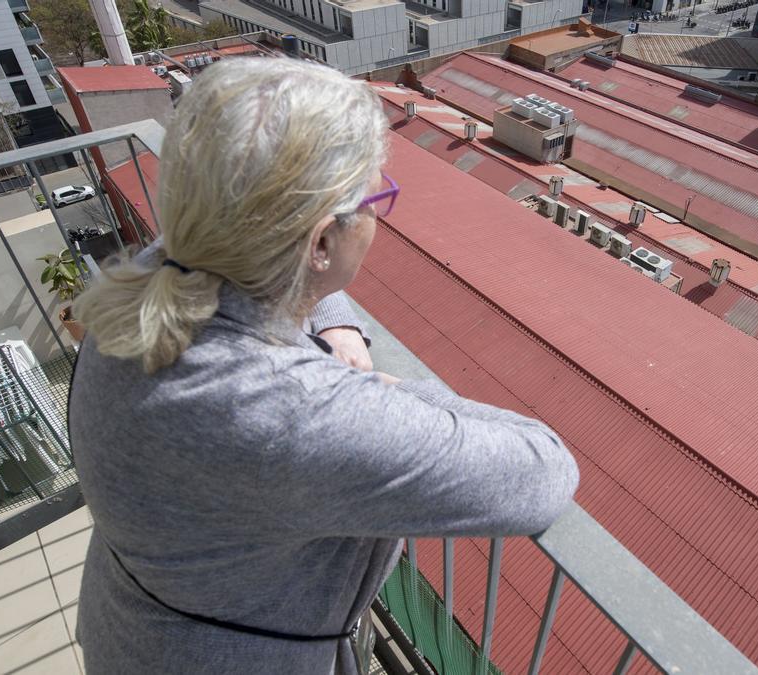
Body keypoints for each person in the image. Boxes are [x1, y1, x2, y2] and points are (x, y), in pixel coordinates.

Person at [67, 58, 579, 674]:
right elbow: (543, 470)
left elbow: (256, 252)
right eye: (374, 196)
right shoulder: (297, 414)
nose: (377, 213)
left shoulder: (154, 279)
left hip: (133, 629)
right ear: (319, 244)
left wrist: (329, 313)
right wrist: (393, 393)